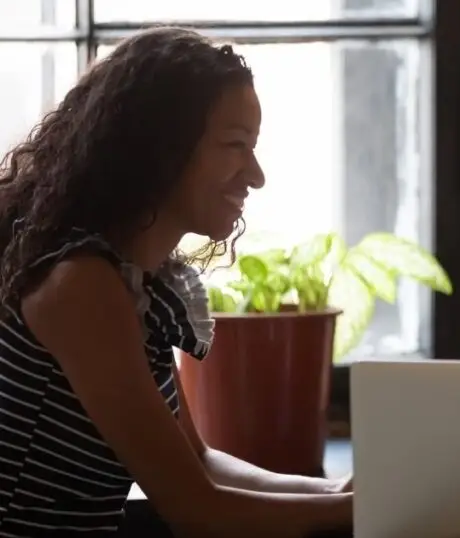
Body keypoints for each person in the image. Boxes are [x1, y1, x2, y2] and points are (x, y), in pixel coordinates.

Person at [0, 27, 353, 537]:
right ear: (159, 150)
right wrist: (360, 507)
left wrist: (340, 491)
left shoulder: (131, 285)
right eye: (236, 146)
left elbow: (201, 462)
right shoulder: (80, 286)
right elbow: (195, 507)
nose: (255, 176)